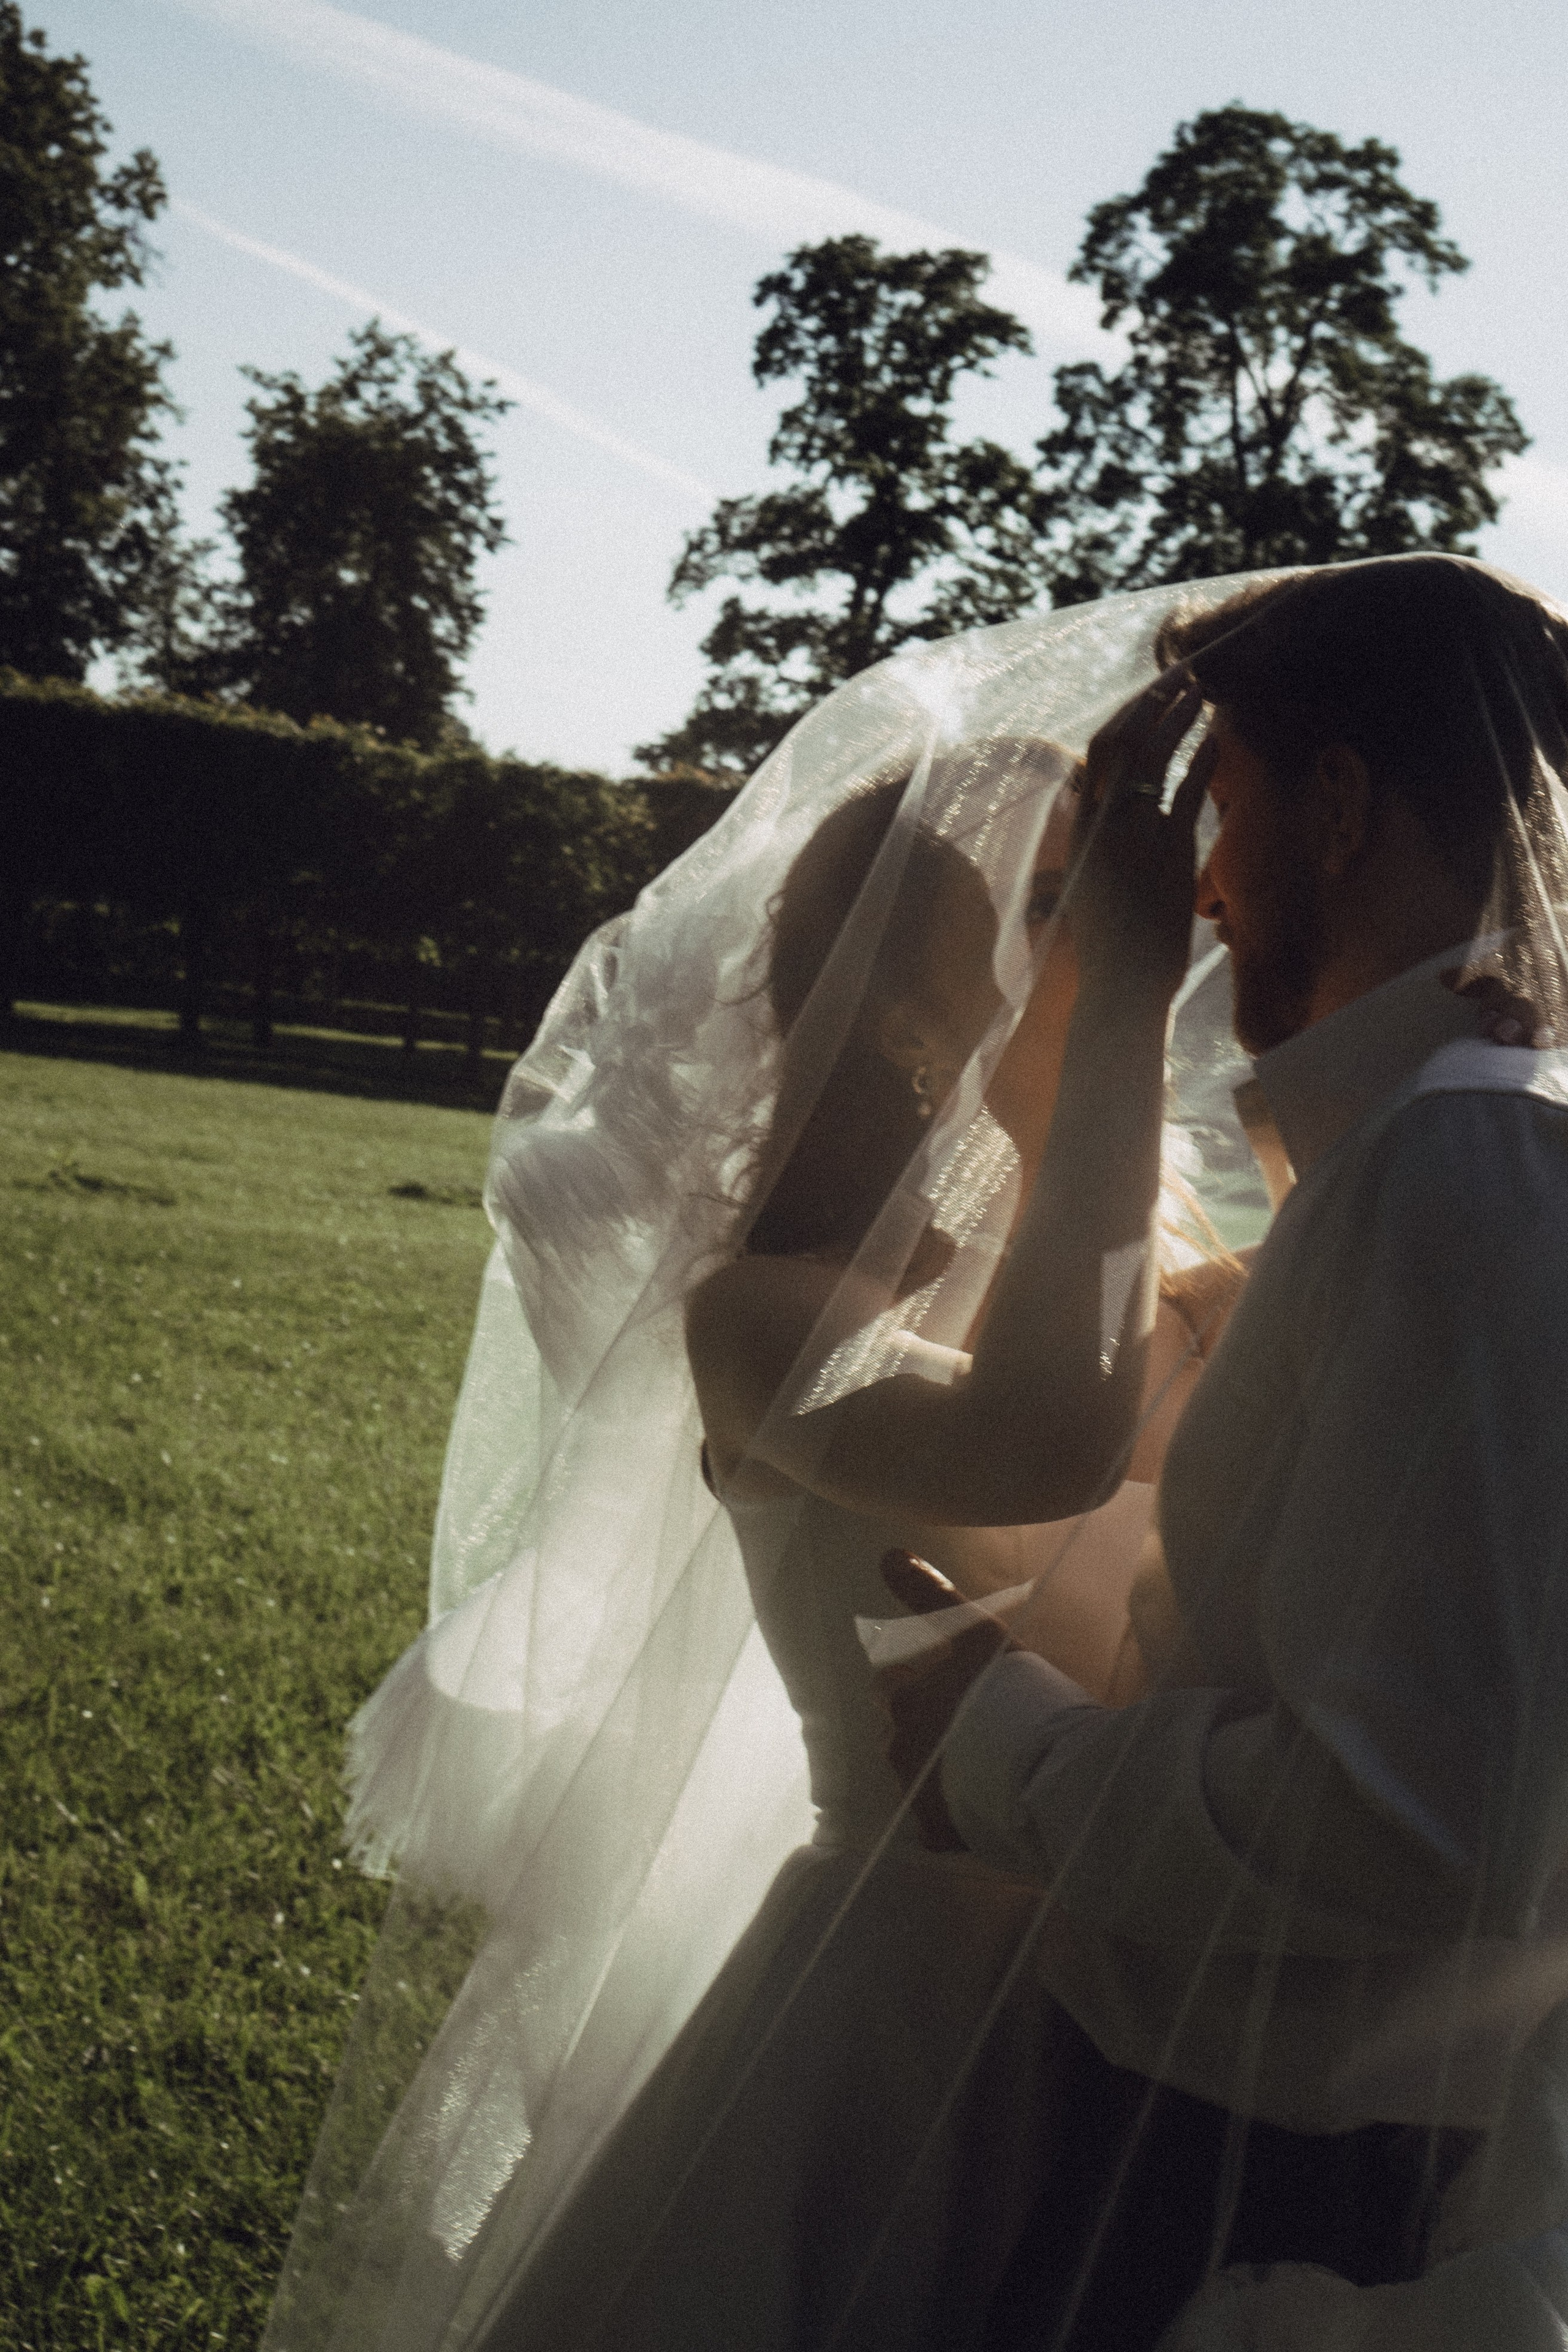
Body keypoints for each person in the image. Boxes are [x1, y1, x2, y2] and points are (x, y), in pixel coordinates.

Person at [258, 590, 1258, 2352]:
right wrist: (1116, 1028)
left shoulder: (1141, 1267)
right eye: (1056, 906)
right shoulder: (766, 1314)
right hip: (892, 2039)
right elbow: (1045, 1434)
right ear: (900, 1020)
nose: (1127, 939)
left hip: (1149, 2005)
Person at [884, 554, 1568, 2351]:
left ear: (1336, 804)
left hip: (1284, 2197)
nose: (1198, 883)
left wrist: (992, 1736)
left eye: (1231, 804)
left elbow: (1418, 1829)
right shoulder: (1444, 1161)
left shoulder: (1466, 1171)